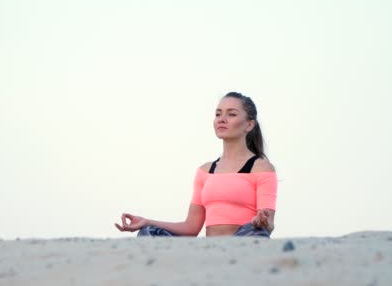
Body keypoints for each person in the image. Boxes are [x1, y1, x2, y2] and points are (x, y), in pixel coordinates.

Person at [114, 91, 278, 237]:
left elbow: (268, 226)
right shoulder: (205, 171)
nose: (222, 119)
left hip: (245, 241)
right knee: (148, 232)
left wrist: (261, 221)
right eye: (218, 114)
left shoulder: (262, 168)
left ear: (249, 125)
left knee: (255, 231)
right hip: (211, 248)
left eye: (231, 114)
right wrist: (146, 221)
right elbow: (191, 227)